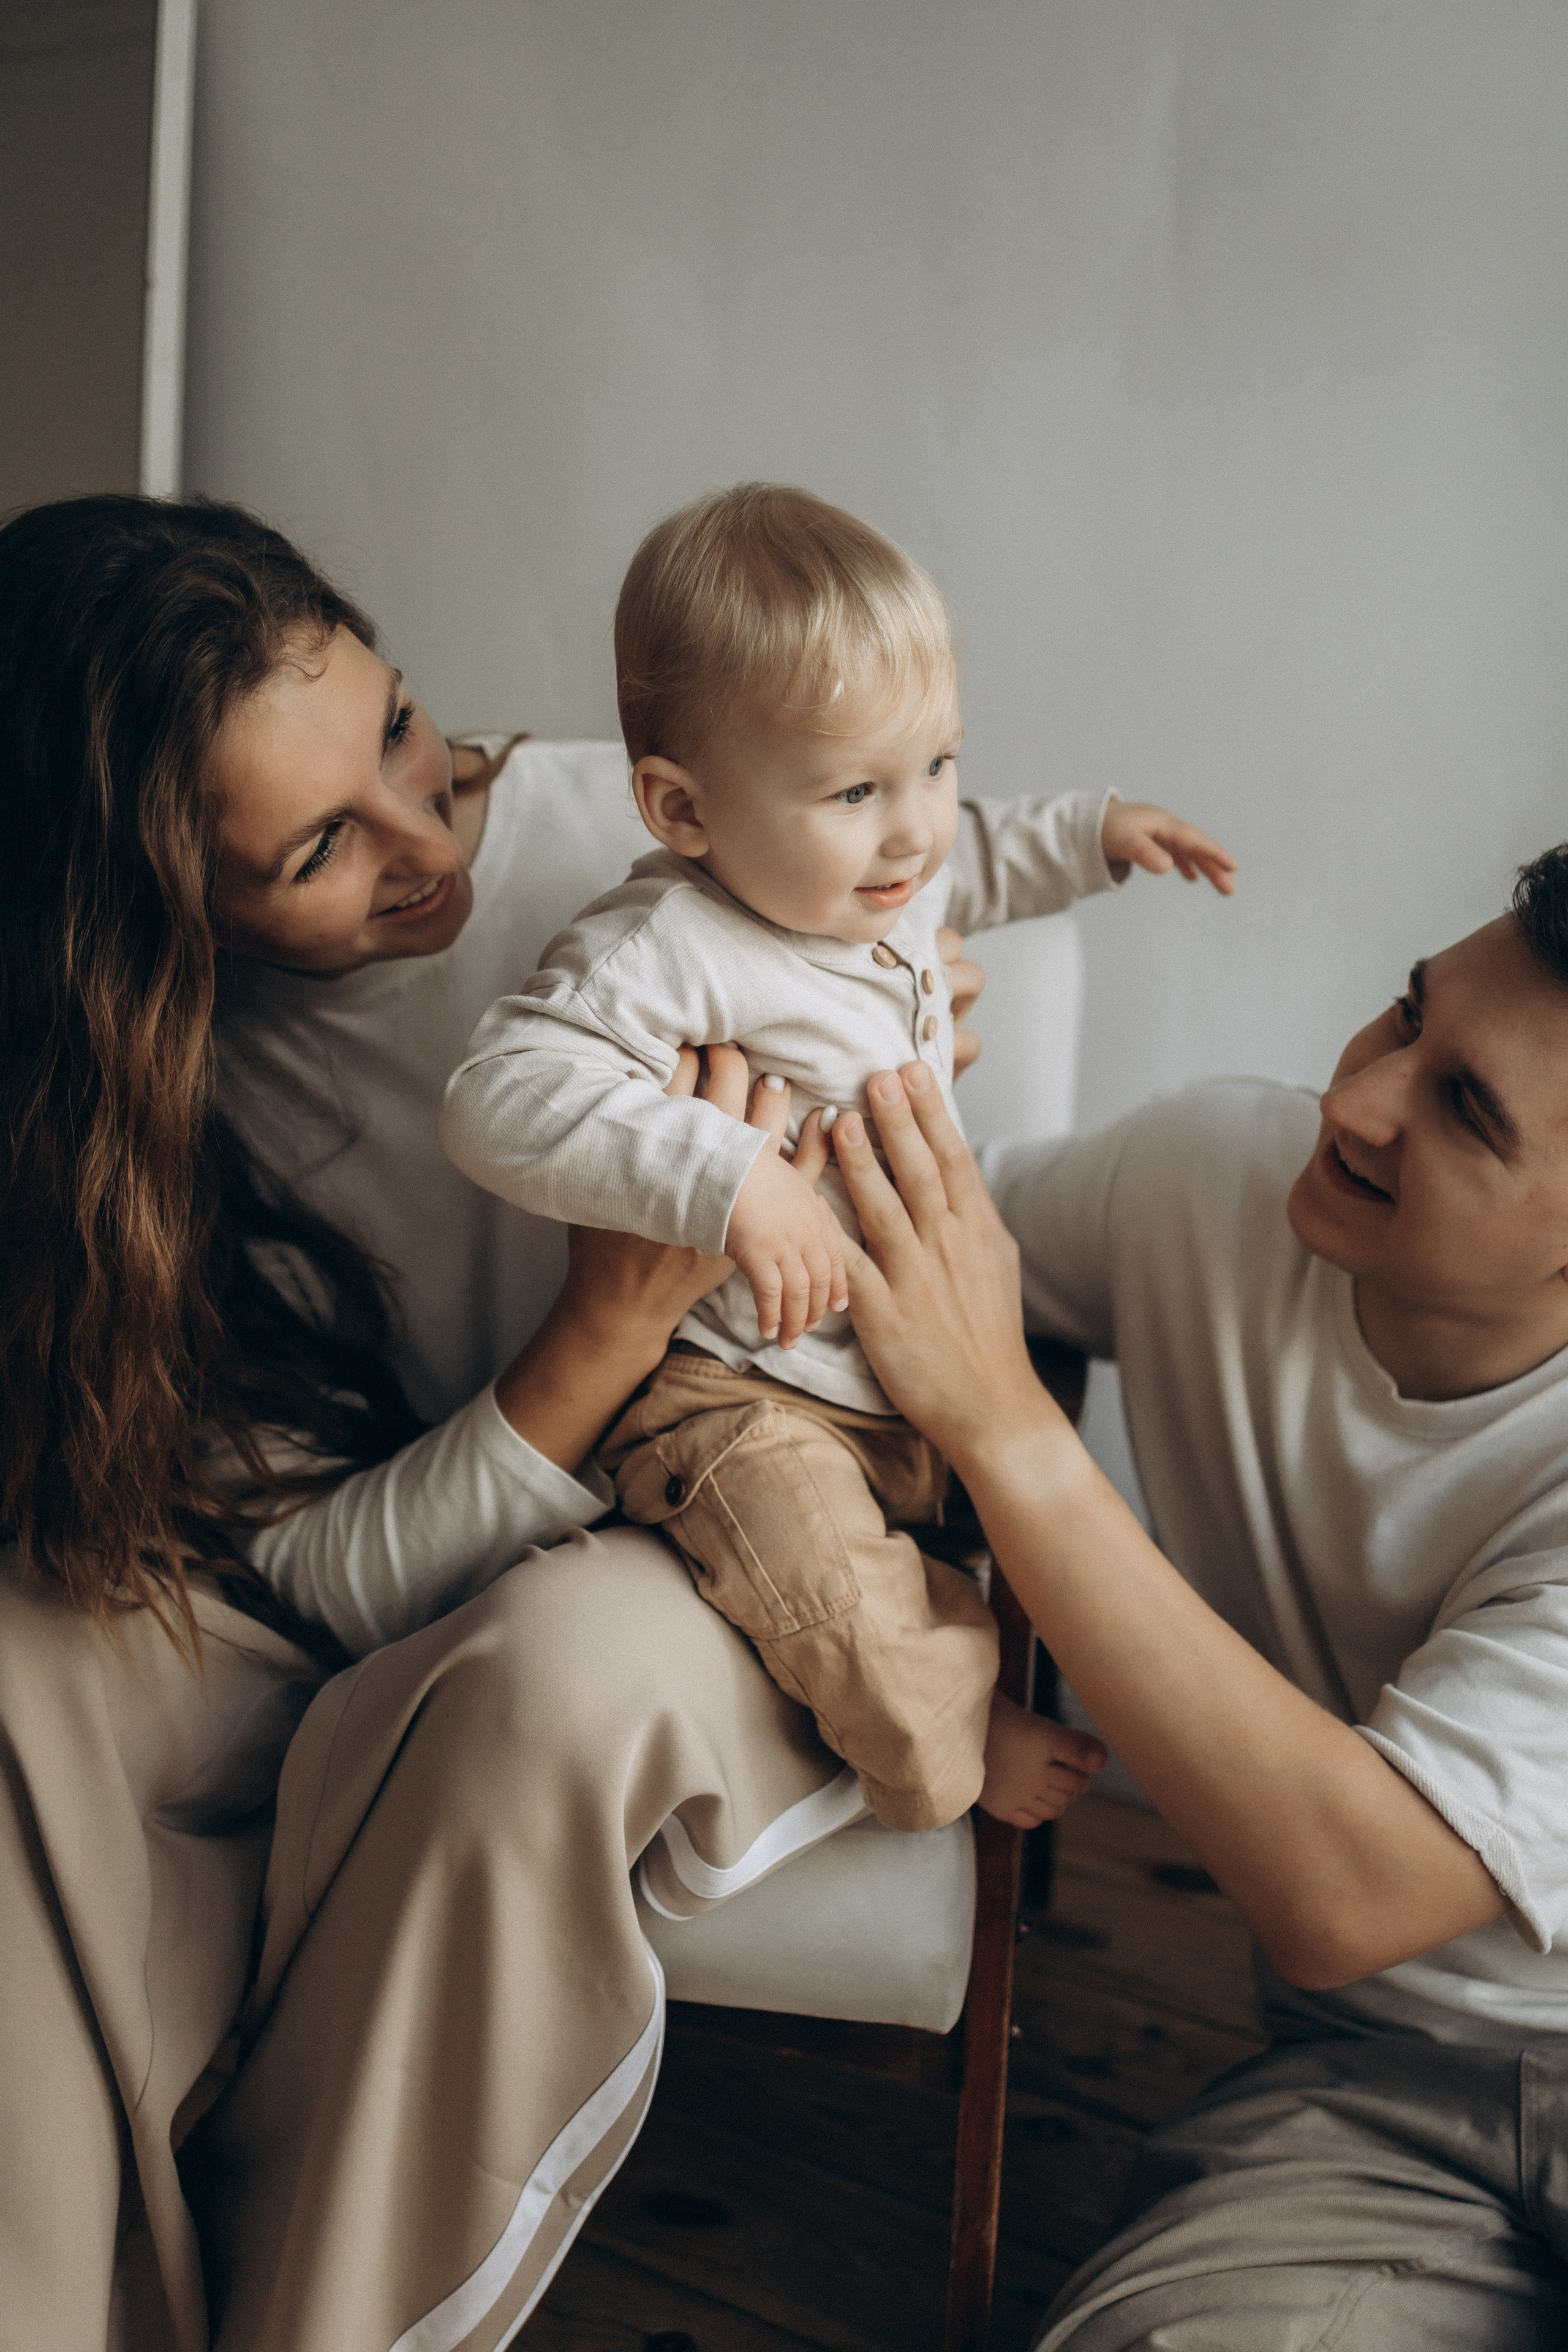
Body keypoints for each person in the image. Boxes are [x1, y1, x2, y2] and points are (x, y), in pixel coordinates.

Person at [0, 491, 1111, 2352]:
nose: (425, 842)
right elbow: (307, 1583)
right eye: (316, 854)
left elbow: (919, 866)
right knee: (23, 1674)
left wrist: (888, 1019)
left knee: (544, 1678)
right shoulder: (137, 1137)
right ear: (155, 914)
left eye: (404, 733)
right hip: (409, 1536)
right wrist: (606, 1321)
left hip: (695, 1512)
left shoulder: (687, 828)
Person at [819, 869, 1568, 2348]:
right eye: (1406, 1016)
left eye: (1464, 1111)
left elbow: (1347, 1891)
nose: (1357, 1100)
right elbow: (909, 1236)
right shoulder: (1209, 1177)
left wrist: (1007, 1430)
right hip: (1374, 2093)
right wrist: (858, 1043)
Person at [440, 482, 1236, 1837]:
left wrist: (1094, 835)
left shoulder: (881, 869)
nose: (914, 825)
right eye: (855, 788)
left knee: (1063, 1516)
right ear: (682, 809)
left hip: (898, 1369)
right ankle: (951, 1715)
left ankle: (940, 1617)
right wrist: (726, 1175)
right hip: (739, 1397)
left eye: (935, 760)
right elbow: (497, 1097)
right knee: (820, 1590)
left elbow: (970, 855)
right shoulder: (666, 944)